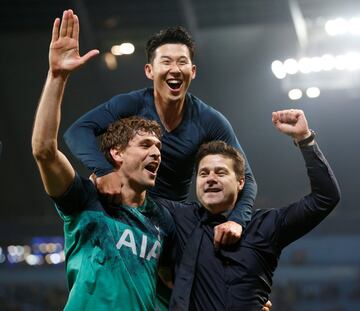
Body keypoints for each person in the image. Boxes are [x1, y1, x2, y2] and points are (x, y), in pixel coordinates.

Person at [63, 12, 258, 245]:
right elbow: (77, 131)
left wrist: (237, 220)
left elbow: (246, 177)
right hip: (125, 209)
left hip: (171, 222)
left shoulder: (210, 120)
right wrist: (105, 171)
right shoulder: (131, 104)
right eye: (166, 61)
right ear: (149, 71)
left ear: (192, 72)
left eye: (182, 62)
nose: (175, 69)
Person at [31, 10, 175, 310]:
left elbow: (180, 284)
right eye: (146, 144)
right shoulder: (85, 199)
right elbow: (44, 150)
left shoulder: (163, 221)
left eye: (159, 147)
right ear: (117, 154)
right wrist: (57, 76)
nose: (156, 152)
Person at [153, 109, 340, 310]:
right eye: (203, 173)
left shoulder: (267, 225)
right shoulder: (179, 217)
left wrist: (305, 139)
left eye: (221, 172)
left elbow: (325, 197)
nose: (210, 179)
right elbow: (132, 194)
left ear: (241, 182)